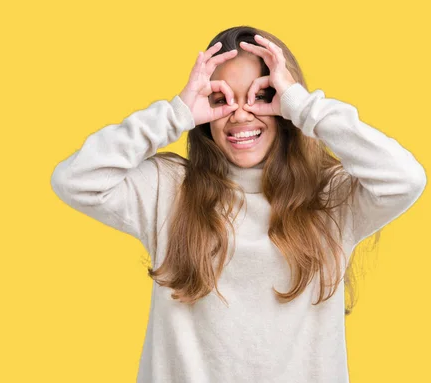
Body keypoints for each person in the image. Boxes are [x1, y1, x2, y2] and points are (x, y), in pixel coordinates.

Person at [50, 25, 426, 383]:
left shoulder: (330, 197)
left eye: (261, 96)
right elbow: (75, 179)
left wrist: (304, 106)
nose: (241, 114)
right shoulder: (168, 190)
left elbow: (404, 179)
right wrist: (174, 113)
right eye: (221, 99)